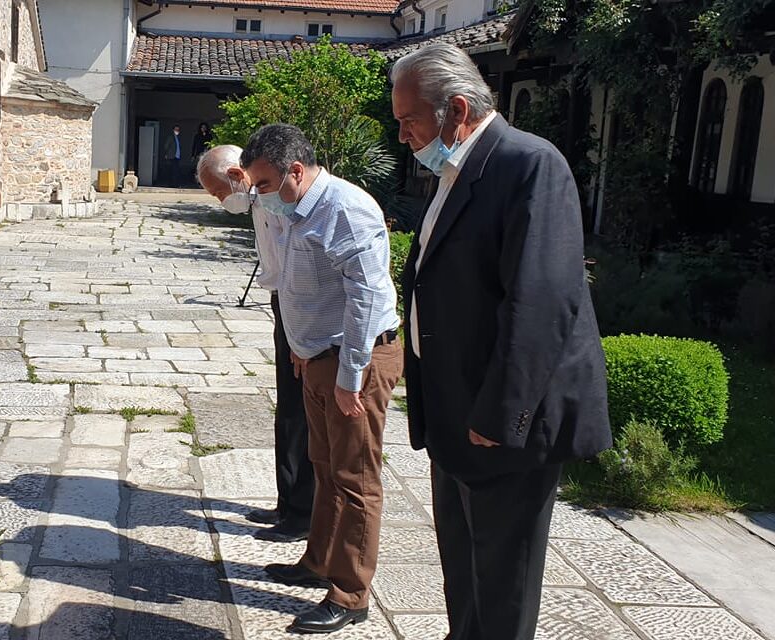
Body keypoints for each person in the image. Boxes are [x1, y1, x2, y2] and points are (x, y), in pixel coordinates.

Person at [391, 43, 612, 640]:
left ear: (456, 109)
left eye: (410, 119)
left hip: (502, 422)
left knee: (503, 579)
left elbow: (540, 303)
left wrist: (501, 414)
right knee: (463, 568)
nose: (404, 133)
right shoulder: (457, 168)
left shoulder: (528, 164)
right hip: (455, 410)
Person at [241, 124, 401, 634]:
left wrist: (351, 375)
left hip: (356, 360)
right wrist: (299, 349)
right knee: (324, 466)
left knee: (354, 479)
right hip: (315, 356)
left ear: (294, 170)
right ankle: (318, 563)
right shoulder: (288, 204)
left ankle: (351, 593)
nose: (258, 195)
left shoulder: (346, 210)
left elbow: (368, 299)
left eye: (263, 184)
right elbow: (292, 281)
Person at [195, 145, 315, 543]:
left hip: (304, 308)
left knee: (302, 414)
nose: (219, 201)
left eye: (217, 192)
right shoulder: (257, 200)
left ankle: (303, 515)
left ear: (235, 174)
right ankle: (288, 502)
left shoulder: (280, 198)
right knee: (287, 410)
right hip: (283, 302)